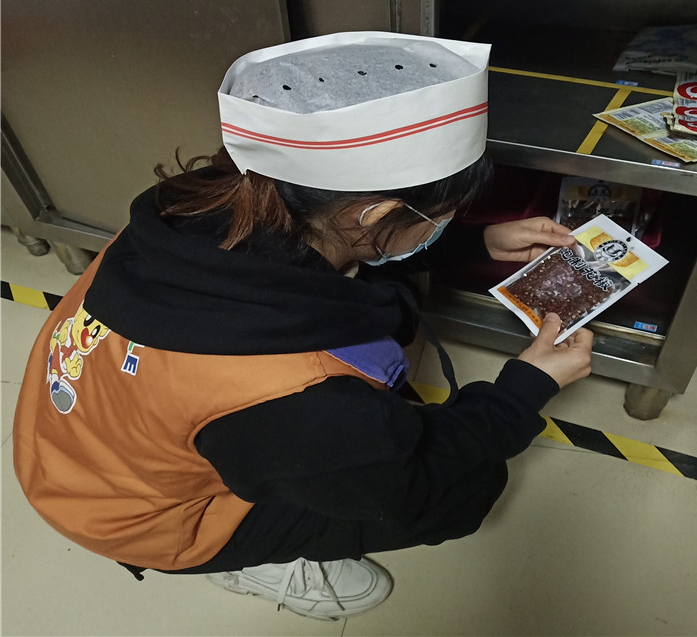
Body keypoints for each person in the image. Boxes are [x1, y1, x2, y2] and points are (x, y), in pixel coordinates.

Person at [13, 32, 593, 621]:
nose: (446, 224)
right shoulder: (287, 398)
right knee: (462, 494)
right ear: (377, 213)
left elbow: (346, 236)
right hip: (140, 518)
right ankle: (239, 558)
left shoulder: (198, 214)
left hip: (72, 445)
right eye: (443, 217)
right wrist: (523, 389)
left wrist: (474, 242)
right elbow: (412, 487)